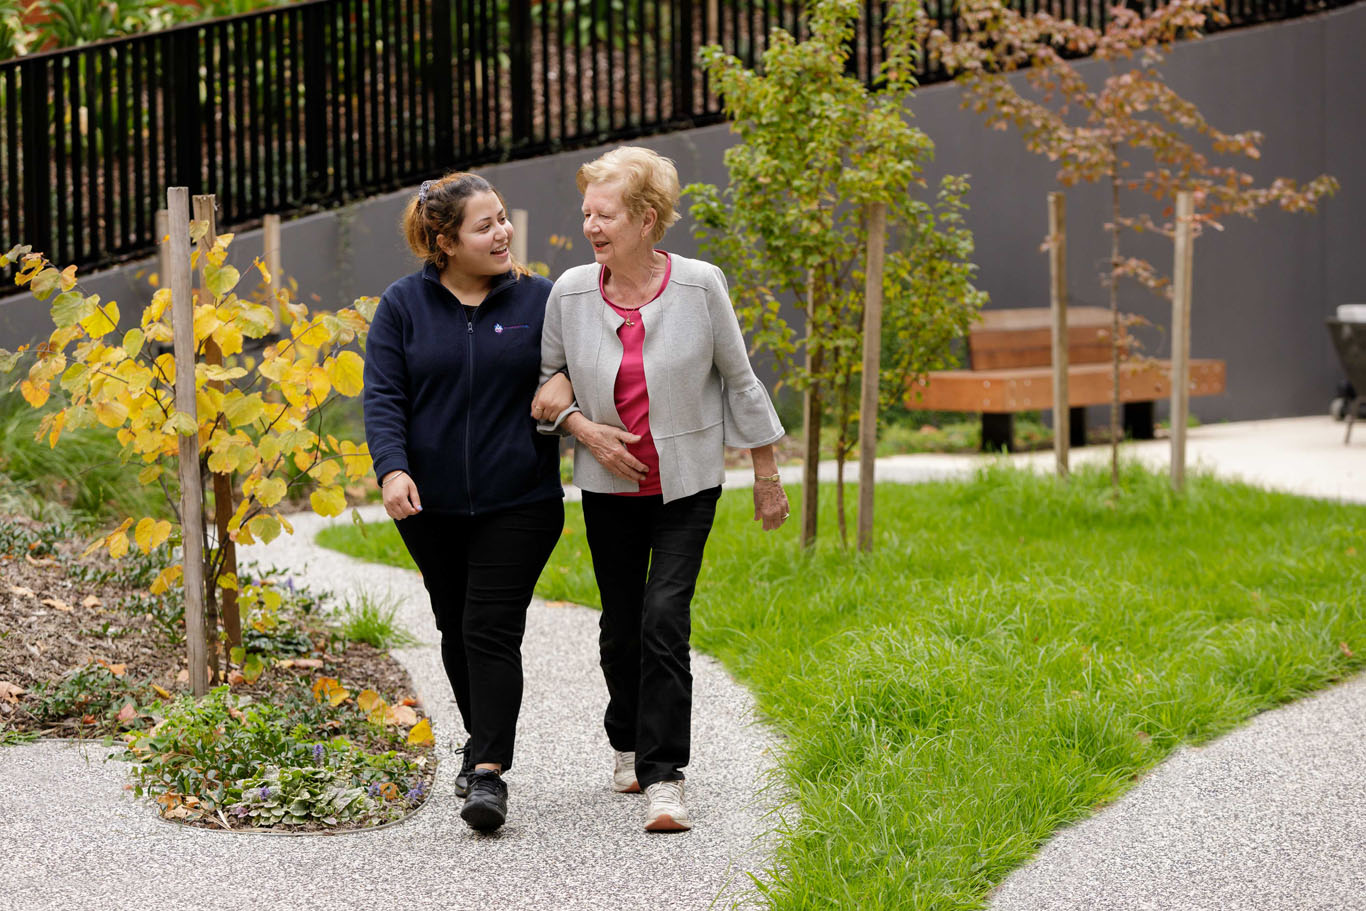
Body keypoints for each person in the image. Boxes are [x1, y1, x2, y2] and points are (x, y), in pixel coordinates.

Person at [532, 146, 790, 833]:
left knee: (663, 619)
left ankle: (666, 776)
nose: (591, 224)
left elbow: (739, 378)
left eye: (605, 213)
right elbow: (546, 382)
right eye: (587, 211)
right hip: (607, 486)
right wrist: (580, 426)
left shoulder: (701, 285)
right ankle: (627, 738)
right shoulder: (570, 293)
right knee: (620, 631)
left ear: (647, 219)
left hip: (687, 485)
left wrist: (766, 474)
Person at [364, 172, 574, 833]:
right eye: (485, 226)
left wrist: (566, 375)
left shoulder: (541, 299)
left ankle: (488, 772)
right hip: (432, 507)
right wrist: (392, 469)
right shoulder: (402, 306)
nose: (503, 232)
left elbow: (589, 359)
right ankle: (480, 738)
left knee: (489, 627)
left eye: (503, 219)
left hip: (522, 498)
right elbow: (384, 396)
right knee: (456, 626)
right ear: (443, 242)